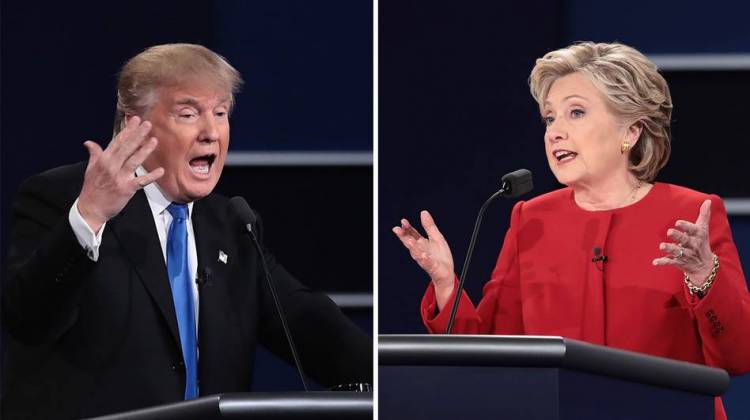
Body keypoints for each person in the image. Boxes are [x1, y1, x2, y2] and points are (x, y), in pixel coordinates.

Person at [2, 44, 371, 419]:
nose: (211, 132)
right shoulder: (63, 198)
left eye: (221, 113)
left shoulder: (230, 224)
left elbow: (311, 327)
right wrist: (90, 216)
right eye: (189, 113)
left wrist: (399, 375)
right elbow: (29, 320)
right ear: (134, 125)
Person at [393, 42, 749, 420]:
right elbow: (493, 354)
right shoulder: (531, 219)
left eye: (575, 112)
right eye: (550, 118)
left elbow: (737, 356)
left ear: (630, 131)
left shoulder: (690, 213)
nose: (555, 133)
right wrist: (446, 283)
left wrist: (703, 274)